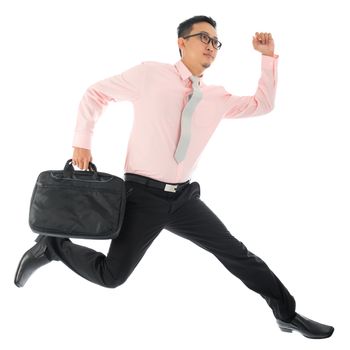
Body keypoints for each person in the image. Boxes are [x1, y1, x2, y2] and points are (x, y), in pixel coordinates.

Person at [15, 15, 334, 339]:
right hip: (142, 197)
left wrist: (267, 58)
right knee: (113, 276)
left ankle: (286, 313)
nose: (211, 46)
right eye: (204, 38)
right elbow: (96, 93)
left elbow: (261, 104)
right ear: (182, 43)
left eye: (216, 42)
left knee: (236, 253)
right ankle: (53, 246)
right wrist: (82, 141)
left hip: (182, 199)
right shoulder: (150, 74)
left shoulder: (215, 97)